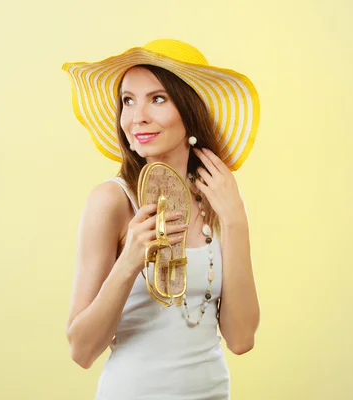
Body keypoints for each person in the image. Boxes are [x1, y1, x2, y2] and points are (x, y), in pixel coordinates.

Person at [61, 39, 261, 399]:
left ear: (189, 110)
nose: (137, 116)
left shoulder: (217, 198)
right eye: (127, 100)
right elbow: (82, 350)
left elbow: (241, 339)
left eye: (157, 99)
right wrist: (131, 258)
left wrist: (235, 221)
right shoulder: (112, 201)